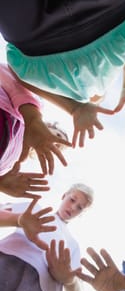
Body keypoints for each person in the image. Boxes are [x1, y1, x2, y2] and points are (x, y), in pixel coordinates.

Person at [0, 0, 125, 148]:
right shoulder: (109, 69)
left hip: (42, 35)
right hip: (104, 12)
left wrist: (75, 108)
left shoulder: (67, 88)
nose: (94, 95)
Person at [0, 182, 94, 291]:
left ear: (82, 214)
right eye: (72, 200)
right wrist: (19, 220)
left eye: (80, 207)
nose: (73, 207)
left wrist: (69, 281)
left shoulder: (74, 245)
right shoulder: (35, 210)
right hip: (8, 266)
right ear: (64, 196)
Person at [0, 63, 71, 198]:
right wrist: (32, 118)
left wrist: (1, 184)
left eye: (57, 147)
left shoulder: (9, 164)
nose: (54, 143)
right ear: (49, 126)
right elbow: (4, 71)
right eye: (57, 136)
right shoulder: (32, 105)